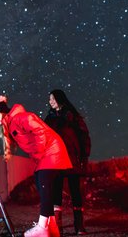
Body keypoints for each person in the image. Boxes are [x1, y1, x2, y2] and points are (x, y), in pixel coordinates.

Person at [0, 95, 72, 237]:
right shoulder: (11, 125)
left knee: (44, 184)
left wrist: (39, 154)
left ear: (3, 113)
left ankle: (42, 227)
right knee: (41, 182)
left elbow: (39, 131)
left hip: (50, 150)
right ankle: (51, 227)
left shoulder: (20, 118)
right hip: (48, 152)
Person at [45, 89, 91, 235]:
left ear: (59, 99)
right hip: (56, 159)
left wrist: (84, 157)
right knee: (56, 191)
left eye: (52, 98)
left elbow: (84, 137)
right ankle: (58, 226)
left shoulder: (73, 117)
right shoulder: (49, 119)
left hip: (72, 159)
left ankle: (79, 225)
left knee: (75, 191)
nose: (50, 101)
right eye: (49, 99)